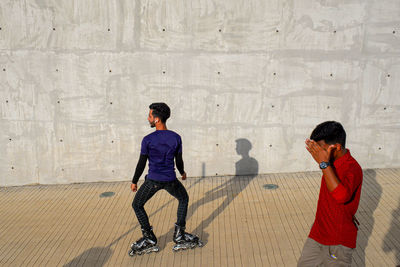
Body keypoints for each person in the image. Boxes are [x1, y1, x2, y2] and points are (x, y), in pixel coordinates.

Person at [128, 103, 202, 257]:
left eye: (149, 116)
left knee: (137, 204)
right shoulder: (176, 137)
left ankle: (149, 238)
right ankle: (179, 235)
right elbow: (179, 161)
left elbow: (141, 163)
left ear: (156, 119)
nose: (147, 118)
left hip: (152, 181)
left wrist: (134, 181)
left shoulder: (147, 140)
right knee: (183, 199)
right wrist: (182, 172)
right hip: (170, 180)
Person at [298, 121, 363, 266]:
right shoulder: (330, 162)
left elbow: (341, 196)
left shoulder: (352, 168)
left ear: (337, 147)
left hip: (338, 243)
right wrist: (325, 163)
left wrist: (324, 164)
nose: (318, 153)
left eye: (321, 149)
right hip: (317, 235)